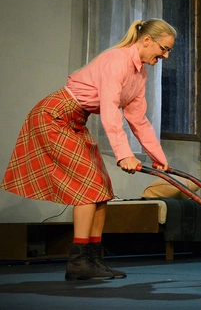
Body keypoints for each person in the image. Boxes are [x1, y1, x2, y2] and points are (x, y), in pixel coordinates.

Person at [2, 19, 176, 280]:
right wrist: (124, 154)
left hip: (76, 121)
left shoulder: (140, 73)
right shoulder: (117, 60)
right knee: (88, 188)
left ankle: (93, 259)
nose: (166, 55)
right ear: (147, 40)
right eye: (164, 49)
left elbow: (138, 120)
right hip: (53, 116)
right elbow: (109, 110)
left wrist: (159, 158)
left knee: (102, 190)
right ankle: (78, 262)